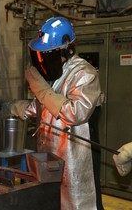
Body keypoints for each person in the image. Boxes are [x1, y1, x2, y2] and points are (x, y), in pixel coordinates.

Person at [11, 16, 104, 210]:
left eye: (47, 55)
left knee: (78, 204)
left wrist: (42, 90)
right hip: (51, 156)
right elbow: (41, 107)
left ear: (67, 50)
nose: (43, 61)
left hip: (75, 159)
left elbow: (76, 112)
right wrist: (12, 108)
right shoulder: (55, 73)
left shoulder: (84, 73)